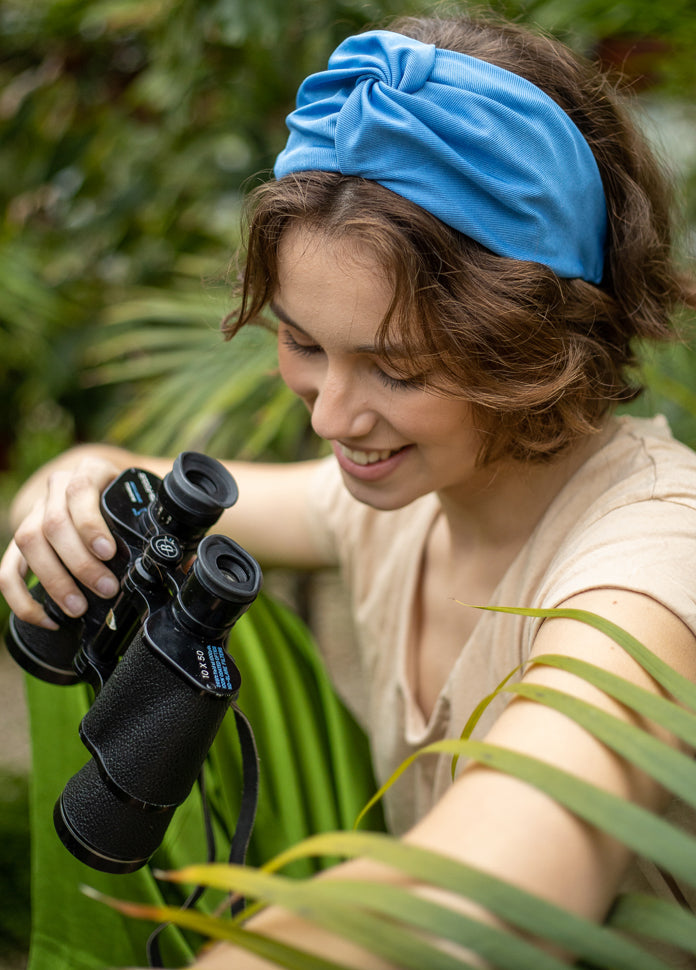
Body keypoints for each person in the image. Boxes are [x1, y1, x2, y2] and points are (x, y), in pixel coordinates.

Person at [3, 10, 696, 970]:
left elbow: (524, 869)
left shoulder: (654, 559)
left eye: (397, 371)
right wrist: (69, 495)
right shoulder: (404, 501)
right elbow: (121, 484)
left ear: (534, 344)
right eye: (301, 342)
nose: (330, 417)